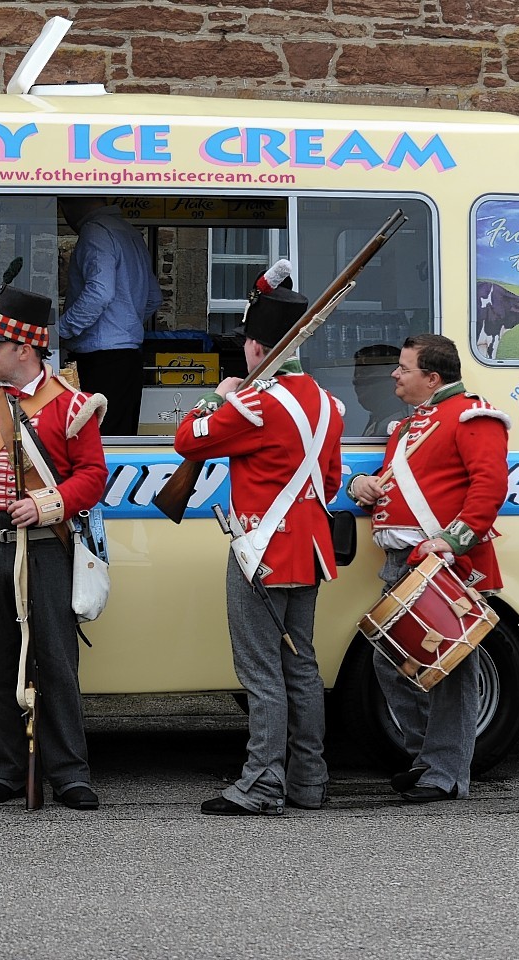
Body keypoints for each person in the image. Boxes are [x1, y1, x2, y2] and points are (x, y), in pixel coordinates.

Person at [174, 273, 344, 816]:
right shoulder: (328, 403)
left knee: (261, 672)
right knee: (301, 666)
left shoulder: (253, 404)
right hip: (309, 549)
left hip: (264, 551)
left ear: (256, 346)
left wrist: (213, 397)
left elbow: (186, 440)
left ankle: (262, 783)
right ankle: (309, 781)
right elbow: (332, 482)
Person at [0, 286, 109, 810]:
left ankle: (69, 772)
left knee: (57, 661)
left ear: (23, 348)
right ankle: (3, 769)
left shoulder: (73, 404)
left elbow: (92, 477)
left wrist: (47, 505)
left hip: (43, 545)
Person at [346, 334, 510, 803]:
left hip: (444, 561)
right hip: (405, 561)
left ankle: (446, 773)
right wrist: (364, 485)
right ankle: (426, 760)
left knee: (452, 671)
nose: (395, 374)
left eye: (404, 367)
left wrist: (451, 542)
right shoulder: (407, 425)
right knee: (392, 663)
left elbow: (489, 486)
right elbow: (399, 481)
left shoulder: (472, 415)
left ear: (432, 377)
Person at [56, 196, 163, 436]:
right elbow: (154, 297)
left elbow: (99, 293)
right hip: (129, 356)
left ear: (68, 205)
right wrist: (125, 323)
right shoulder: (131, 233)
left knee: (97, 442)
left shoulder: (95, 231)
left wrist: (60, 331)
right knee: (121, 440)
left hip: (100, 359)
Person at [351, 343, 409, 437]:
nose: (358, 389)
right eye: (356, 382)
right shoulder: (379, 418)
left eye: (365, 382)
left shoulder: (396, 423)